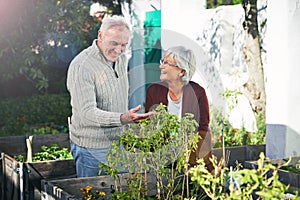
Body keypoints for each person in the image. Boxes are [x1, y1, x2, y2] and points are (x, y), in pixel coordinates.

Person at [66, 15, 153, 177]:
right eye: (114, 43)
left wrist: (132, 129)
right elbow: (86, 113)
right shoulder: (82, 66)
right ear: (100, 35)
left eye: (124, 45)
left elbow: (117, 102)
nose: (119, 50)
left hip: (118, 146)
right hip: (91, 149)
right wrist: (122, 118)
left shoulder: (120, 60)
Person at [145, 46, 213, 172]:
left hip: (190, 160)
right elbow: (148, 128)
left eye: (167, 63)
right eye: (162, 62)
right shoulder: (154, 91)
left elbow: (202, 130)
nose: (161, 66)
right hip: (161, 161)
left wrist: (204, 166)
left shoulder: (197, 93)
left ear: (182, 71)